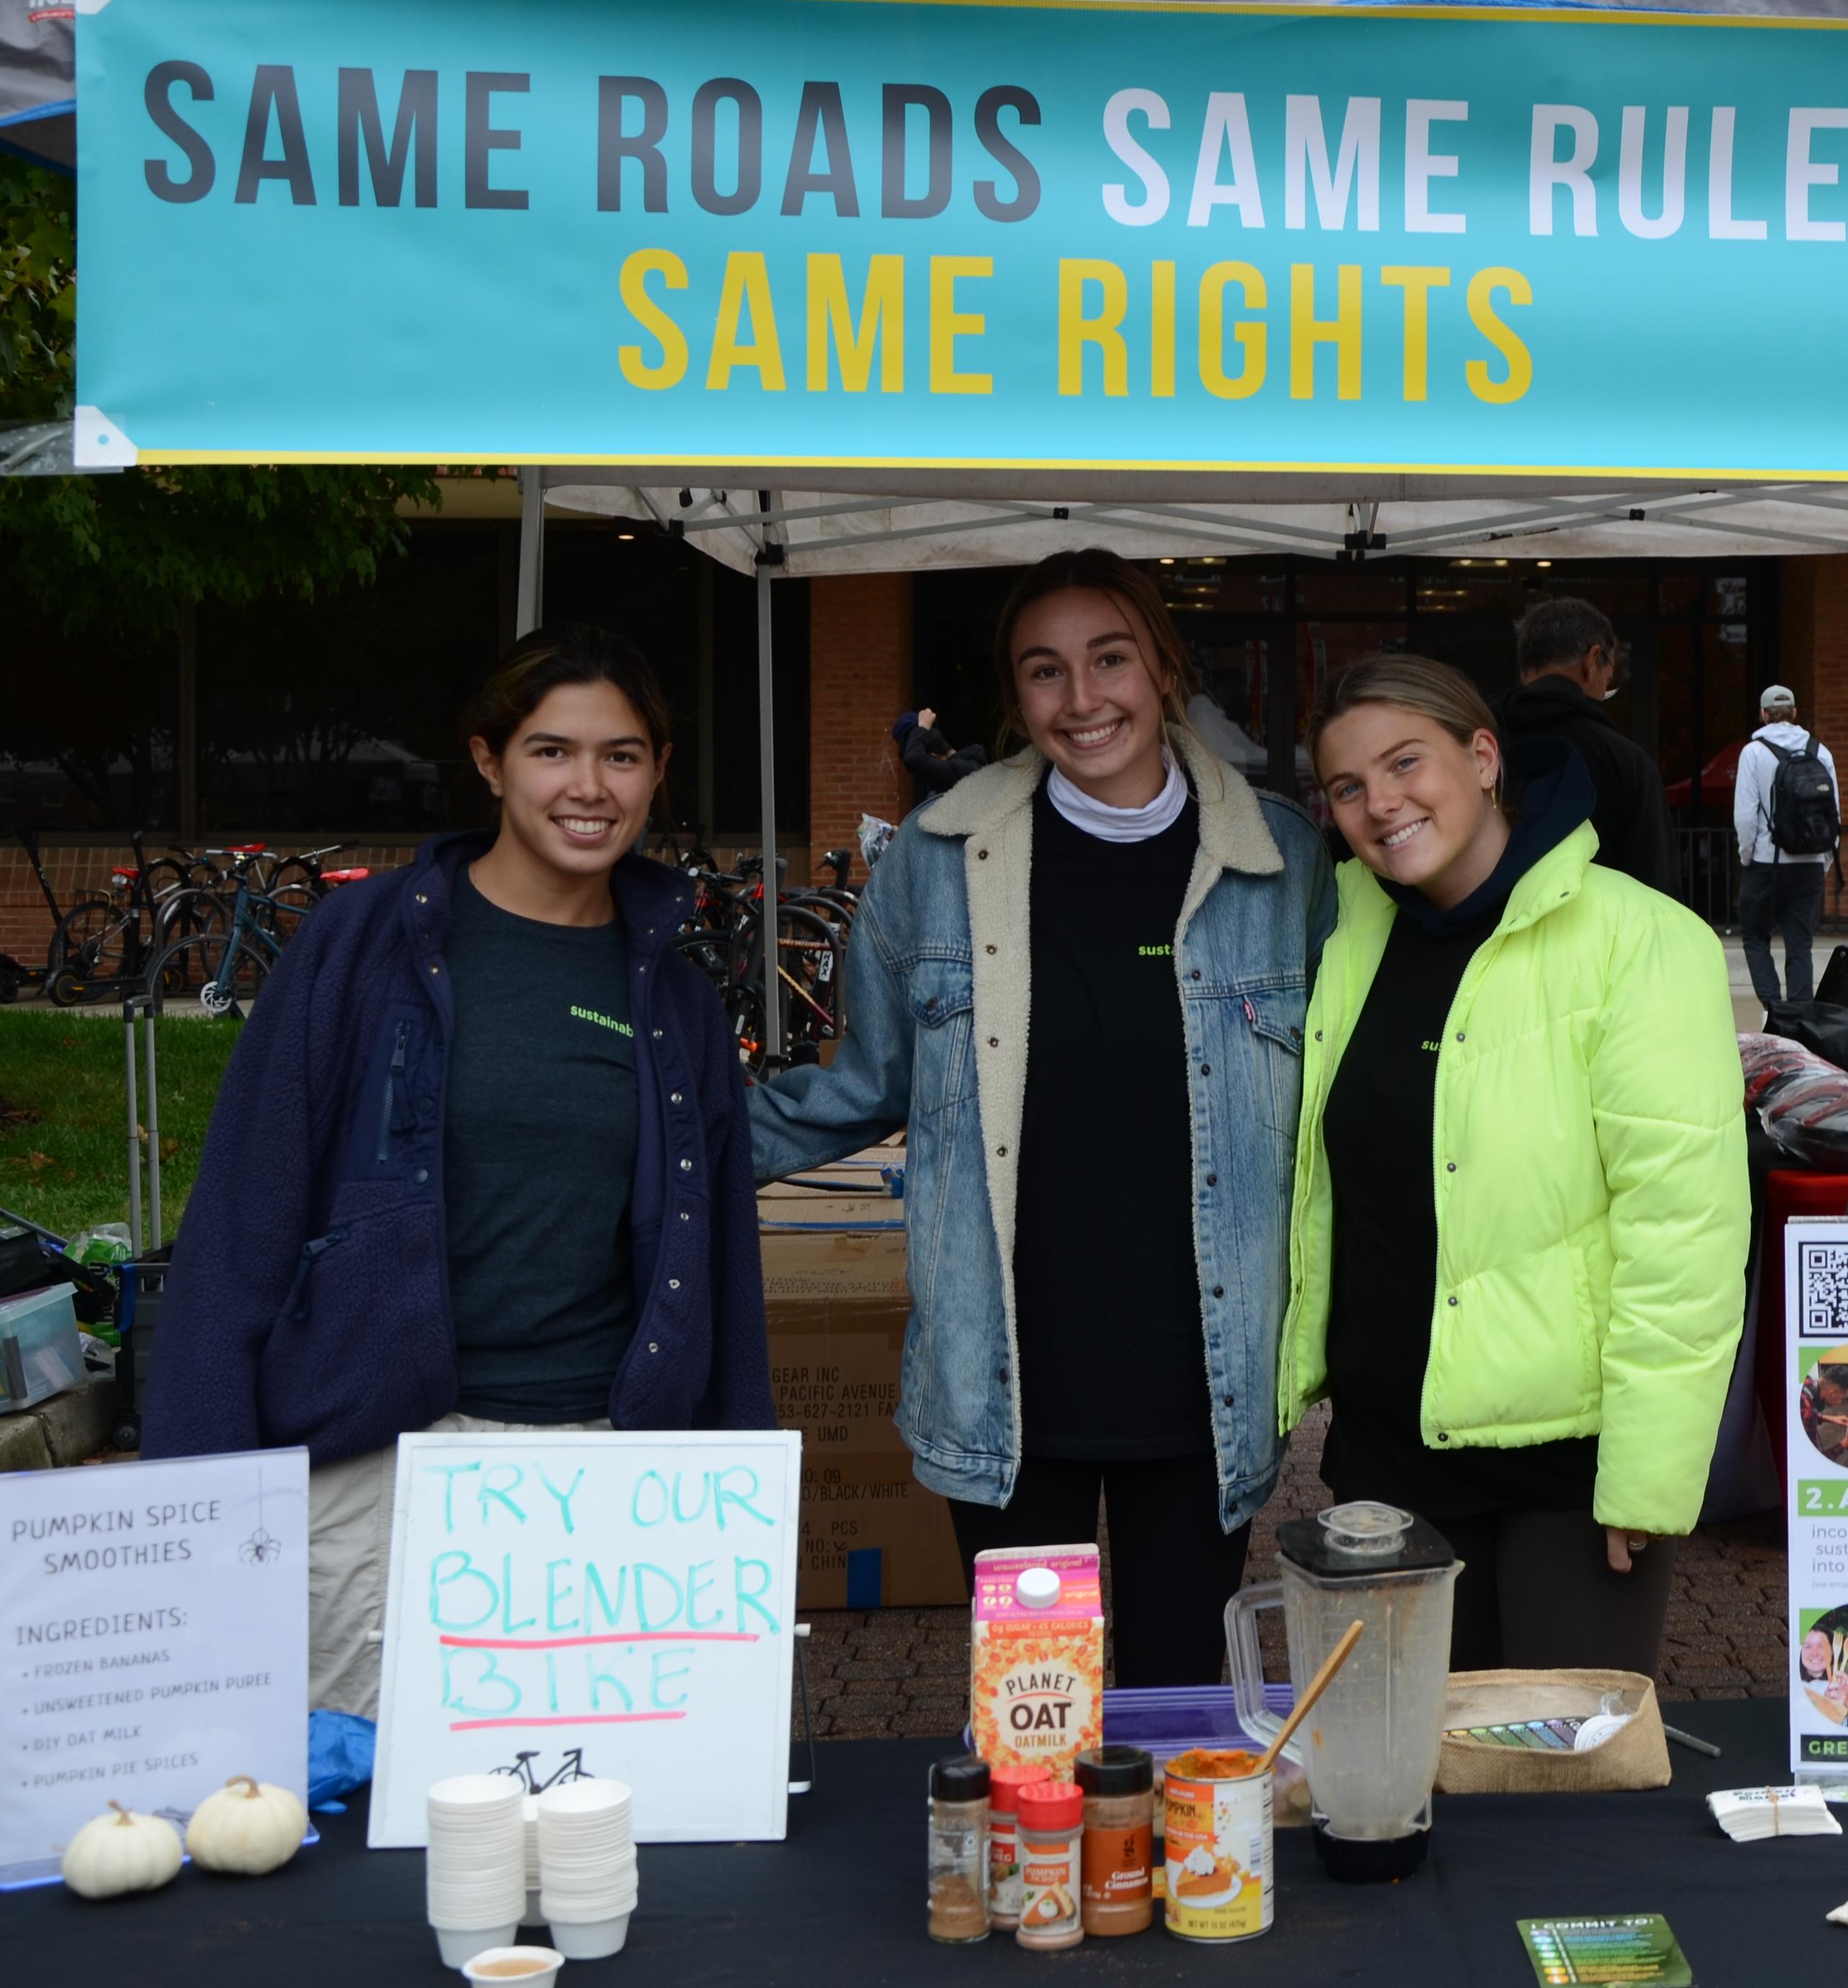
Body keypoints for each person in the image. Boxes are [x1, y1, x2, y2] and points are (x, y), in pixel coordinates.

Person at [146, 625, 771, 1720]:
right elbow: (243, 1219)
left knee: (591, 1827)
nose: (590, 787)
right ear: (488, 761)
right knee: (350, 1827)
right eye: (551, 751)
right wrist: (199, 1498)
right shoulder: (361, 945)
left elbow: (719, 1267)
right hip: (379, 1469)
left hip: (608, 1480)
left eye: (623, 756)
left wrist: (741, 1499)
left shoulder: (675, 999)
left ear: (659, 772)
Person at [755, 550, 1333, 1688]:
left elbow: (1342, 1099)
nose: (1082, 700)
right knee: (1036, 1717)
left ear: (1163, 667)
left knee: (1180, 1707)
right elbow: (861, 1084)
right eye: (1045, 671)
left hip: (1202, 1381)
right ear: (1014, 697)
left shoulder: (1279, 860)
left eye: (1109, 659)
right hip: (1007, 1383)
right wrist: (663, 1154)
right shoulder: (933, 866)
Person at [1283, 652, 1746, 1674]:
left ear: (1484, 756)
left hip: (1567, 1475)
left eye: (1407, 763)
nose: (1380, 804)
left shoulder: (1640, 942)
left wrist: (1652, 1472)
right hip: (1386, 1454)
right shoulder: (1350, 935)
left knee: (1554, 1788)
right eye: (1349, 787)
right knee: (1399, 1787)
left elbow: (1685, 1234)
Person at [1494, 595, 1671, 892]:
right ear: (1591, 662)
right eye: (1608, 677)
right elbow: (1659, 894)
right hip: (1602, 934)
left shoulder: (1473, 746)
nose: (1605, 690)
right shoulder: (1626, 763)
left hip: (1491, 934)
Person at [1732, 684, 1839, 1010]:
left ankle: (1774, 1009)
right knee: (1800, 945)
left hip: (1767, 862)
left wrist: (1747, 856)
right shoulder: (1820, 752)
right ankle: (1801, 1017)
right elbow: (1834, 814)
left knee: (1754, 937)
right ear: (1794, 713)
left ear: (1763, 714)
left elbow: (1745, 815)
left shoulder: (1753, 752)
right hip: (1809, 865)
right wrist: (1824, 861)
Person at [892, 705, 986, 803]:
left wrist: (923, 727)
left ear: (933, 757)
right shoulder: (963, 768)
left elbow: (913, 759)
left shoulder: (964, 771)